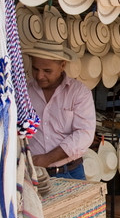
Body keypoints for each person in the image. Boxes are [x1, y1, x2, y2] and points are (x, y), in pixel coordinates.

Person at [24, 40, 96, 180]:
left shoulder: (79, 93)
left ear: (62, 66)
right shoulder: (24, 91)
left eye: (47, 71)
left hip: (70, 172)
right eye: (35, 69)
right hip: (33, 173)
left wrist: (47, 158)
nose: (39, 76)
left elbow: (84, 134)